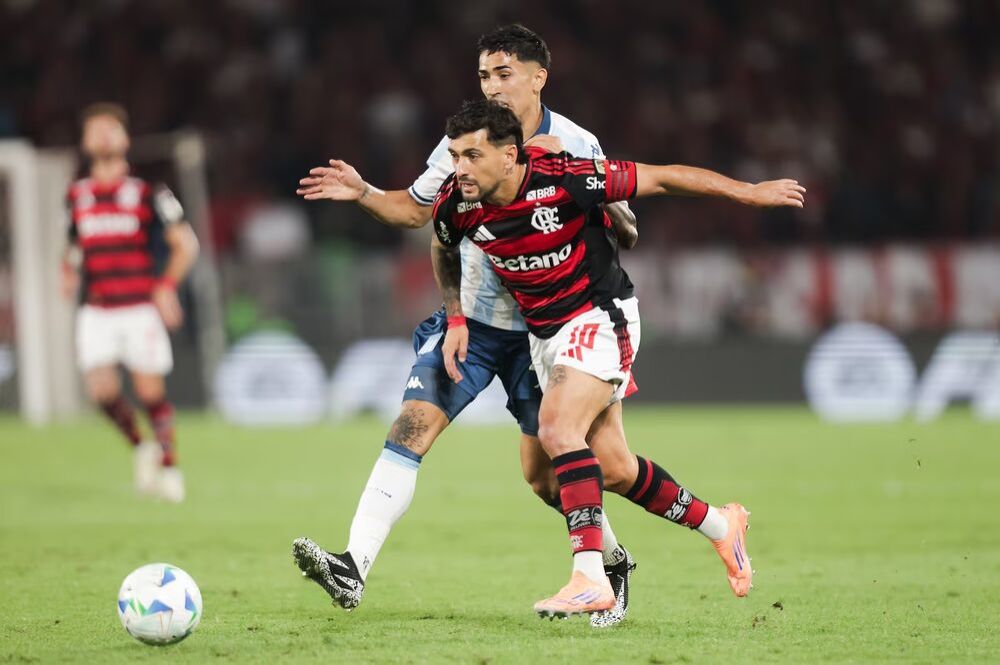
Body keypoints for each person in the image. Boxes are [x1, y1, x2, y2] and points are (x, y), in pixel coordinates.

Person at [292, 25, 641, 627]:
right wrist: (365, 191)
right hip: (472, 325)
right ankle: (353, 565)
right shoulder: (466, 142)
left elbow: (628, 229)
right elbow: (419, 213)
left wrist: (600, 198)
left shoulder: (578, 143)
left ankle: (610, 562)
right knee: (411, 425)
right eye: (484, 75)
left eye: (504, 74)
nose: (493, 86)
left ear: (538, 77)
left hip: (548, 330)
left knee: (552, 476)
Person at [429, 99, 805, 618]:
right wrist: (455, 318)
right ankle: (722, 525)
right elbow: (443, 247)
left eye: (472, 155)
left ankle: (590, 578)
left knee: (558, 429)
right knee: (578, 473)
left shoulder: (565, 179)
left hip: (599, 316)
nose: (460, 168)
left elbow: (664, 179)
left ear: (510, 156)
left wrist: (749, 192)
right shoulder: (457, 201)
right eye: (455, 155)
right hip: (544, 337)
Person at [61, 102, 199, 503]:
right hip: (97, 308)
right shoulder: (77, 196)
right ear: (85, 141)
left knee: (150, 393)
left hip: (138, 306)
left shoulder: (148, 193)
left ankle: (171, 471)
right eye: (95, 128)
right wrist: (67, 270)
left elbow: (185, 244)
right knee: (101, 392)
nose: (104, 133)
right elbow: (71, 246)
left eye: (112, 127)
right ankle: (143, 445)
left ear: (126, 139)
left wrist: (165, 285)